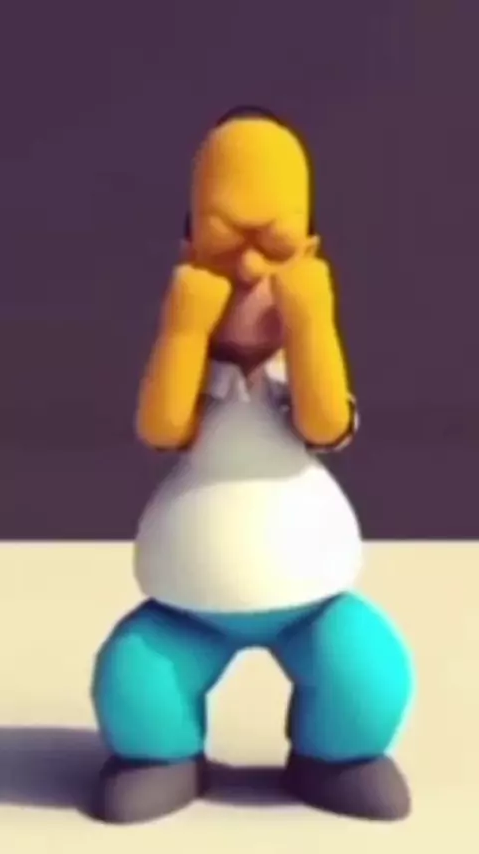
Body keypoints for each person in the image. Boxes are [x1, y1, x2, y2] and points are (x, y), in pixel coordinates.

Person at [91, 106, 416, 824]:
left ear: (309, 255)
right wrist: (182, 329)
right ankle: (161, 754)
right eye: (222, 247)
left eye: (274, 247)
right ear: (188, 253)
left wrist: (312, 324)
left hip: (310, 598)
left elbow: (325, 423)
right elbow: (161, 426)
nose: (246, 270)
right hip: (189, 602)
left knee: (365, 670)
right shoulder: (190, 364)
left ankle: (337, 755)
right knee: (136, 675)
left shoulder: (297, 364)